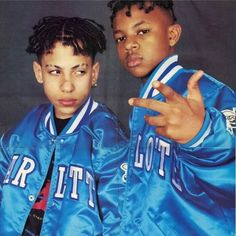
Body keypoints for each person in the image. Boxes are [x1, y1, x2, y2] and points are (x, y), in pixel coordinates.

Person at [107, 1, 235, 235]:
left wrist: (203, 136)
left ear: (172, 34)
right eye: (120, 38)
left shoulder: (205, 92)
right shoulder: (145, 102)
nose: (130, 44)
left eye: (142, 31)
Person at [0, 16, 128, 235]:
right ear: (39, 72)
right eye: (55, 71)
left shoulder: (107, 136)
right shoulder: (26, 127)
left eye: (79, 71)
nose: (67, 86)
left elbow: (120, 217)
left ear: (94, 73)